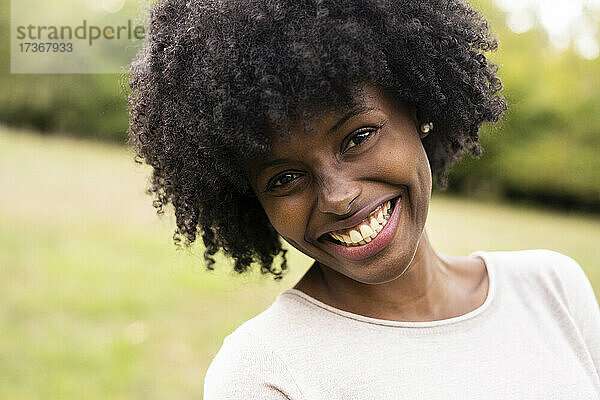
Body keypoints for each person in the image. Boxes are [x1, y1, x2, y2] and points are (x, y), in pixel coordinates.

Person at [127, 0, 600, 398]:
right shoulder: (263, 375)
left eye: (358, 137)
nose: (338, 196)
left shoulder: (552, 287)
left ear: (417, 107)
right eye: (285, 178)